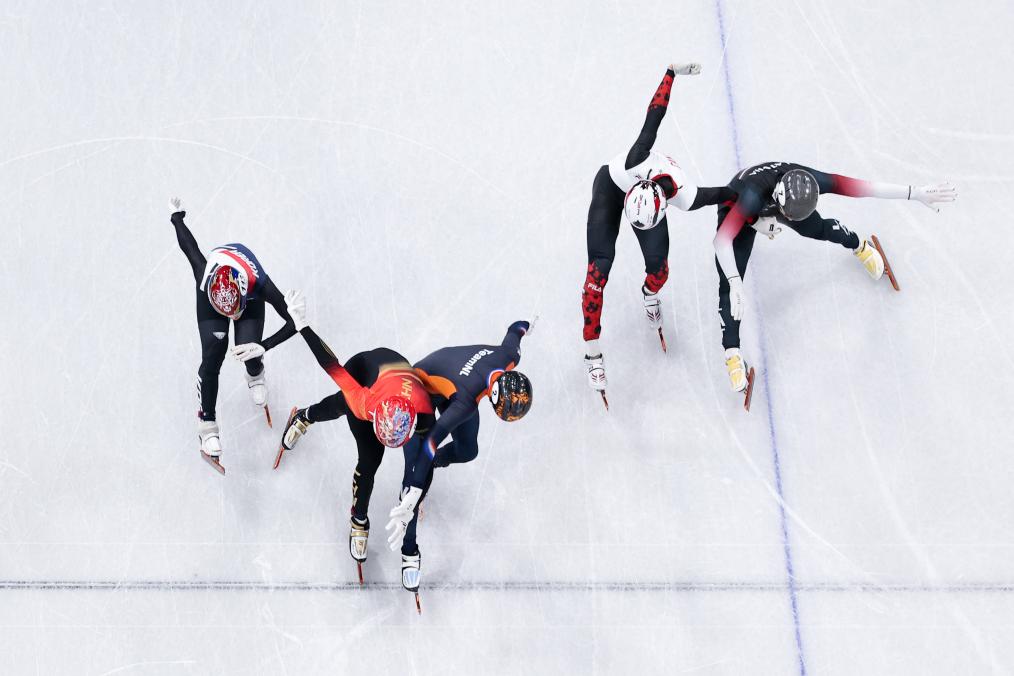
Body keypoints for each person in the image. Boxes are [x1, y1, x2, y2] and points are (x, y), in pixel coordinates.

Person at [711, 163, 956, 394]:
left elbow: (865, 188)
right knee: (728, 286)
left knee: (817, 228)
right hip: (739, 208)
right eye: (789, 215)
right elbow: (721, 242)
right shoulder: (749, 198)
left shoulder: (809, 181)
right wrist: (735, 281)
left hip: (772, 206)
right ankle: (732, 353)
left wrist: (915, 193)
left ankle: (859, 245)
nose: (791, 221)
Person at [581, 63, 737, 400]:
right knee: (596, 275)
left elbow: (724, 193)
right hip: (612, 186)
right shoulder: (636, 157)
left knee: (660, 270)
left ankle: (649, 295)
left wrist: (751, 203)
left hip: (647, 202)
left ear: (664, 207)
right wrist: (670, 73)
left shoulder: (687, 196)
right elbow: (656, 113)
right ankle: (592, 354)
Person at [277, 291, 435, 589]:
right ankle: (358, 518)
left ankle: (405, 546)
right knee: (366, 455)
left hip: (398, 386)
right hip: (364, 371)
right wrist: (302, 325)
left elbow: (426, 467)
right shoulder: (366, 401)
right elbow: (331, 364)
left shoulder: (426, 414)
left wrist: (416, 494)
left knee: (416, 473)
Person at [169, 199, 297, 472]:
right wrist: (176, 217)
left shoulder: (259, 284)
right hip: (216, 294)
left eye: (235, 311)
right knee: (213, 353)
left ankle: (255, 374)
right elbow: (189, 246)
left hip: (247, 293)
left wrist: (264, 346)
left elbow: (295, 322)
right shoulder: (204, 274)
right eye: (228, 313)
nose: (233, 318)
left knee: (248, 348)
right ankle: (207, 424)